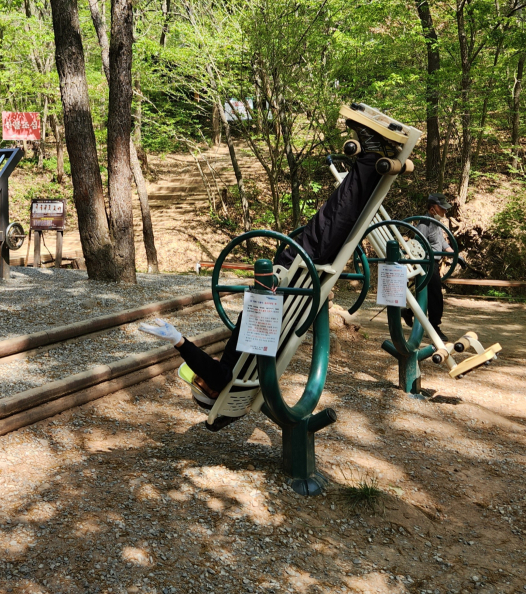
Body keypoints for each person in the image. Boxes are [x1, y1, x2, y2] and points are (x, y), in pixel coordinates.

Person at [140, 115, 403, 403]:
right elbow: (216, 374)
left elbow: (217, 372)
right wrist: (180, 342)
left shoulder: (243, 374)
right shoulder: (227, 374)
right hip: (292, 280)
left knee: (334, 221)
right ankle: (370, 158)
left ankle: (372, 161)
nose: (200, 375)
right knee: (332, 219)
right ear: (211, 390)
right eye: (200, 380)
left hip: (293, 292)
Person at [402, 193, 453, 341]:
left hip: (434, 263)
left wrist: (454, 253)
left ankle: (409, 313)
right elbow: (418, 244)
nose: (445, 212)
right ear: (432, 209)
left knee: (427, 294)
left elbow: (442, 242)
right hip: (427, 263)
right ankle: (434, 326)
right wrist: (423, 261)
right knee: (435, 295)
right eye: (442, 208)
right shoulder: (424, 224)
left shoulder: (435, 223)